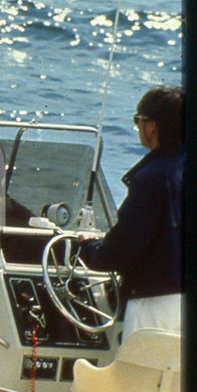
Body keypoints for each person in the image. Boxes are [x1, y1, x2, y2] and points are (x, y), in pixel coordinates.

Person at [78, 85, 183, 339]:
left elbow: (122, 250)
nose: (137, 127)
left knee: (141, 376)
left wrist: (87, 248)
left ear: (152, 126)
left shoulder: (151, 178)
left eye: (138, 120)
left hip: (154, 304)